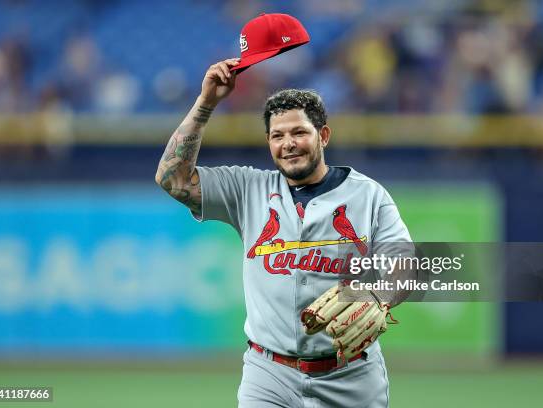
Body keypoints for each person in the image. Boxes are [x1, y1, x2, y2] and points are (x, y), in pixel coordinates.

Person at [155, 58, 412, 408]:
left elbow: (405, 266)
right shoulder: (247, 188)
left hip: (350, 378)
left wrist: (379, 295)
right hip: (268, 375)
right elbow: (174, 179)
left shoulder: (368, 194)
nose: (288, 143)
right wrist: (206, 103)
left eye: (299, 132)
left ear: (323, 135)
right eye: (277, 135)